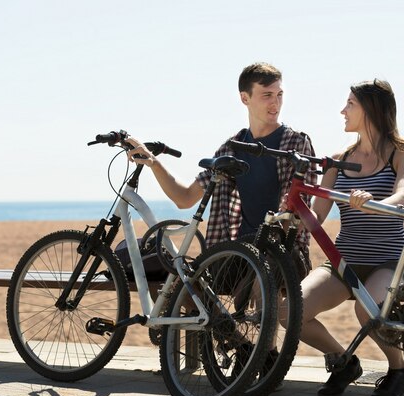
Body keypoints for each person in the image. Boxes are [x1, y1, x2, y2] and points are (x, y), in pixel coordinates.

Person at [296, 79, 404, 396]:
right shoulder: (339, 158)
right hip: (343, 262)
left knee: (369, 312)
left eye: (350, 103)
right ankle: (344, 361)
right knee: (290, 311)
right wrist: (289, 216)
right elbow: (316, 216)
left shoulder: (401, 154)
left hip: (389, 262)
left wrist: (376, 204)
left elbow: (403, 196)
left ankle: (399, 368)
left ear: (371, 109)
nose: (342, 110)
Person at [125, 62, 316, 261]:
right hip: (240, 253)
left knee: (258, 289)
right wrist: (154, 162)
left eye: (279, 95)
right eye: (267, 95)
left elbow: (297, 214)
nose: (275, 103)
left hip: (283, 254)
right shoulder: (232, 148)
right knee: (181, 287)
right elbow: (185, 198)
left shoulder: (295, 144)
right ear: (245, 98)